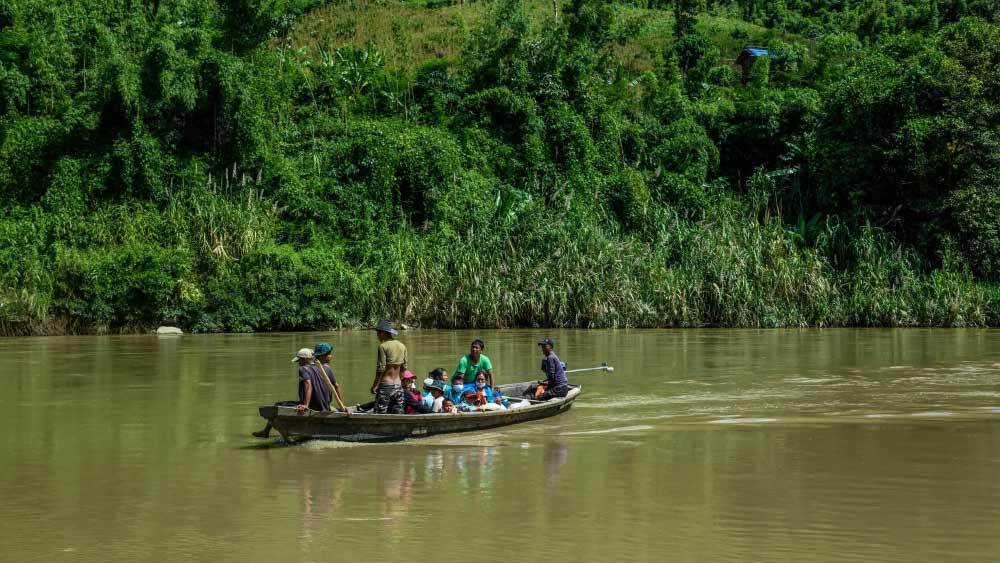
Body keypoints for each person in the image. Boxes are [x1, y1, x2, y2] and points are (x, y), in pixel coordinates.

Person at [252, 348, 333, 438]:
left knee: (277, 405)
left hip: (312, 406)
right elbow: (334, 386)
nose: (299, 363)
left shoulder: (304, 369)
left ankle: (265, 432)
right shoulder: (322, 368)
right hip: (325, 405)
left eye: (300, 360)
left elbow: (308, 384)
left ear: (305, 359)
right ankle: (266, 432)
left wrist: (306, 405)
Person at [369, 319, 407, 415]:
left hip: (386, 385)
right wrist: (400, 382)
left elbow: (381, 369)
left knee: (380, 413)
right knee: (398, 413)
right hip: (398, 385)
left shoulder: (383, 346)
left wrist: (375, 385)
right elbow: (404, 368)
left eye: (378, 332)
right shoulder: (402, 346)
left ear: (383, 332)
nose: (377, 335)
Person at [313, 342, 349, 413]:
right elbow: (336, 386)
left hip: (318, 406)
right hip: (324, 406)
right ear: (322, 356)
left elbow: (336, 386)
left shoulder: (309, 368)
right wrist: (342, 405)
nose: (331, 356)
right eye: (329, 354)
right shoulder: (326, 368)